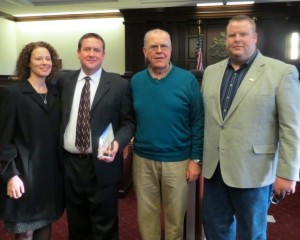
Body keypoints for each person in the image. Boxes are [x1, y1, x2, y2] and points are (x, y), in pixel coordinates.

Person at [201, 15, 300, 240]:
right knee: (215, 227)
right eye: (232, 35)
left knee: (251, 233)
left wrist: (287, 173)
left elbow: (291, 128)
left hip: (254, 172)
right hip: (215, 171)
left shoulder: (281, 72)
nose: (237, 39)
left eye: (243, 34)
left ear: (254, 37)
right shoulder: (211, 72)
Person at [58, 32, 135, 240]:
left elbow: (128, 122)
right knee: (76, 222)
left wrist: (118, 143)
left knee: (105, 225)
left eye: (96, 50)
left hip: (103, 164)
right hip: (70, 164)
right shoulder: (63, 81)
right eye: (87, 49)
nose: (91, 54)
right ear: (78, 53)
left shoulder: (119, 85)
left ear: (103, 54)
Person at [131, 28, 204, 240]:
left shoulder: (187, 80)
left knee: (175, 220)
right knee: (146, 217)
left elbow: (198, 121)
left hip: (178, 161)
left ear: (171, 50)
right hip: (143, 160)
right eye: (154, 46)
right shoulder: (135, 81)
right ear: (145, 51)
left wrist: (196, 159)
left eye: (164, 46)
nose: (159, 51)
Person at [0, 41, 64, 240]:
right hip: (23, 175)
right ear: (28, 63)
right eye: (38, 58)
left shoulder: (56, 93)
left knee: (45, 223)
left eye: (48, 58)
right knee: (25, 230)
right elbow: (3, 139)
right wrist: (11, 175)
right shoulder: (13, 93)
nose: (44, 62)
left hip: (50, 174)